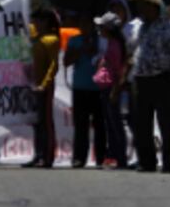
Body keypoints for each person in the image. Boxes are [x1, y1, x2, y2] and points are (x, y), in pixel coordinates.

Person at [127, 0, 170, 174]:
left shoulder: (169, 27)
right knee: (141, 124)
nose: (140, 8)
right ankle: (147, 161)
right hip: (141, 80)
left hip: (161, 79)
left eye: (143, 5)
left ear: (153, 6)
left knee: (167, 124)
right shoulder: (140, 26)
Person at [64, 13, 105, 168]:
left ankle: (101, 157)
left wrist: (95, 48)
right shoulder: (74, 40)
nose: (84, 26)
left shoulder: (101, 41)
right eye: (81, 23)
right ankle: (79, 157)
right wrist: (81, 49)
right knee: (81, 125)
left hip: (98, 88)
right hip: (80, 87)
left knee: (100, 125)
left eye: (87, 23)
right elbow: (66, 61)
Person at [22, 10, 60, 169]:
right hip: (33, 86)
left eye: (37, 21)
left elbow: (53, 65)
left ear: (46, 22)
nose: (35, 24)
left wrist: (45, 84)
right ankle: (38, 155)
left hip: (45, 88)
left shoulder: (51, 40)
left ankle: (47, 156)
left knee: (46, 123)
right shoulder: (36, 40)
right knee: (37, 123)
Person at [94, 12, 128, 169]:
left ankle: (121, 158)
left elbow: (117, 71)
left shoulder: (114, 46)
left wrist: (115, 91)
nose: (99, 29)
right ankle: (117, 156)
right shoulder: (113, 43)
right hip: (108, 88)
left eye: (101, 27)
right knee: (112, 124)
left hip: (111, 89)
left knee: (115, 124)